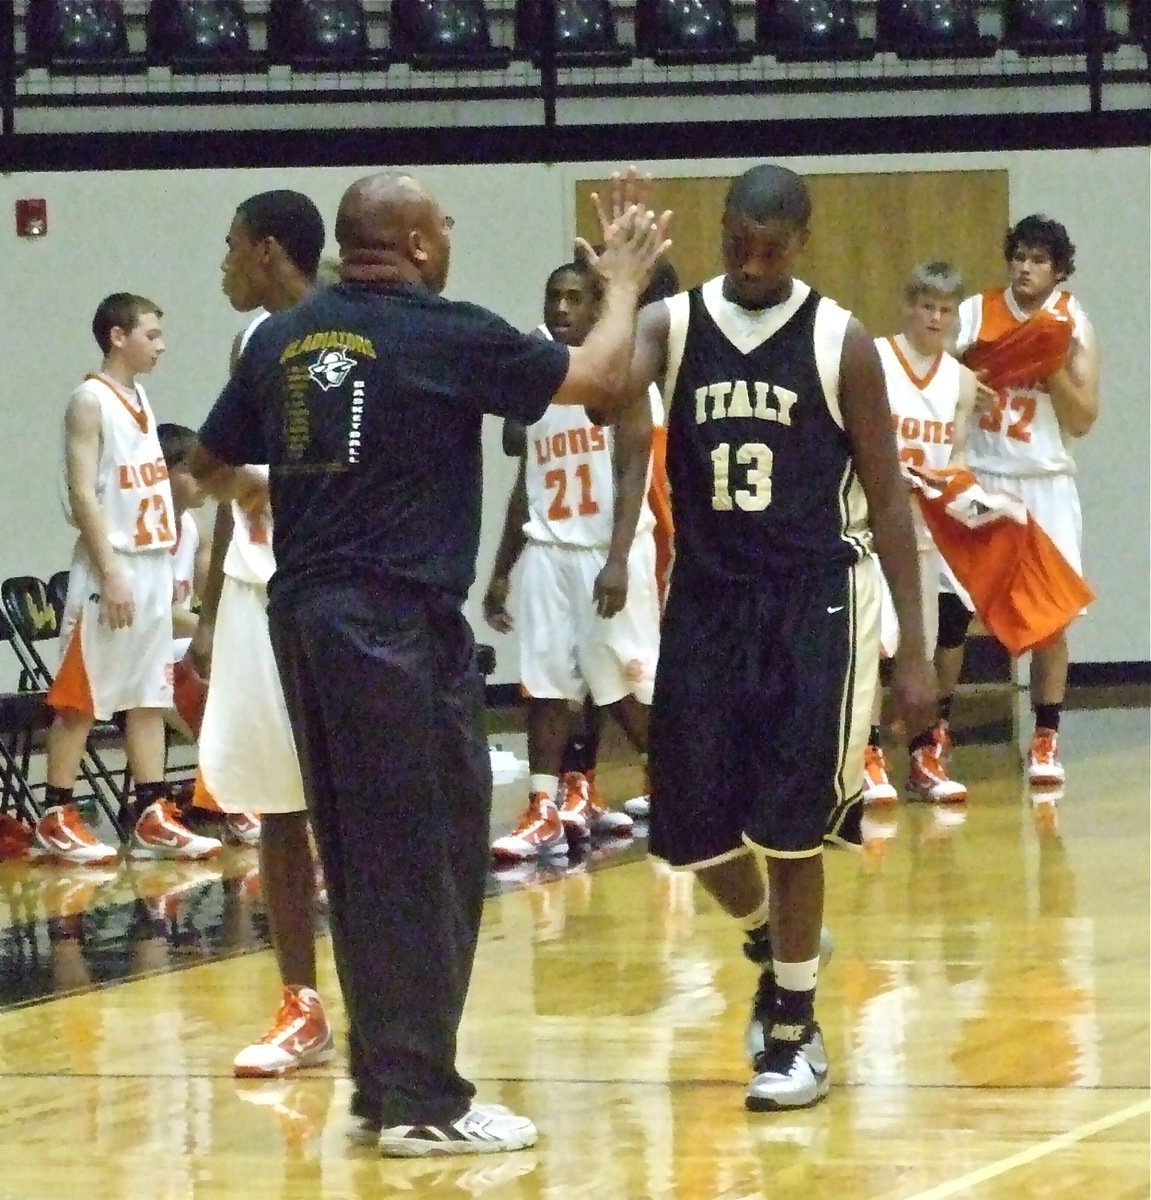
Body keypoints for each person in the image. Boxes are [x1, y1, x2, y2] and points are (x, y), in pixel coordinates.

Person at [190, 169, 670, 1156]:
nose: (448, 237)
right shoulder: (440, 329)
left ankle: (388, 1086)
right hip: (388, 630)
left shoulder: (283, 338)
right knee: (423, 864)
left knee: (376, 859)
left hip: (306, 623)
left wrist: (268, 488)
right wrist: (623, 282)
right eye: (441, 225)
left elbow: (209, 460)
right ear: (411, 244)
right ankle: (422, 1103)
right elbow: (604, 378)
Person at [626, 164, 936, 1111]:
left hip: (817, 601)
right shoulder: (670, 325)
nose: (755, 264)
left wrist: (916, 650)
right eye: (738, 245)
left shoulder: (839, 339)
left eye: (773, 249)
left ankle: (795, 1032)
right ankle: (771, 940)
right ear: (719, 233)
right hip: (709, 602)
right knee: (688, 827)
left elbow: (886, 495)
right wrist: (617, 284)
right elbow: (601, 392)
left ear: (802, 241)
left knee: (795, 825)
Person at [186, 190, 335, 1079]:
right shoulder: (250, 344)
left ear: (269, 251)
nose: (224, 261)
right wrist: (207, 611)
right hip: (254, 591)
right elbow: (220, 480)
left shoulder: (345, 333)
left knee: (357, 811)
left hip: (335, 593)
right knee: (277, 805)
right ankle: (301, 1003)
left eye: (232, 244)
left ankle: (401, 1003)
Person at [30, 294, 224, 867]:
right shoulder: (89, 401)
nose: (161, 344)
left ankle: (150, 813)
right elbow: (84, 495)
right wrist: (111, 570)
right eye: (152, 333)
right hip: (109, 566)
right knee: (81, 699)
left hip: (146, 562)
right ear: (118, 337)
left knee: (148, 691)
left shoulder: (139, 396)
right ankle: (57, 814)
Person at [484, 258, 658, 862]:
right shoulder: (538, 383)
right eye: (553, 296)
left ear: (596, 309)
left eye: (575, 298)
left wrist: (616, 559)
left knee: (625, 688)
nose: (560, 308)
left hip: (609, 551)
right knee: (546, 682)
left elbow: (636, 470)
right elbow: (524, 482)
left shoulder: (625, 374)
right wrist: (502, 571)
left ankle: (682, 783)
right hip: (548, 550)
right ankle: (544, 807)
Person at [939, 215, 1099, 790]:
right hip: (984, 474)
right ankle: (935, 734)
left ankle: (1046, 736)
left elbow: (1082, 419)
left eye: (1037, 260)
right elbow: (934, 381)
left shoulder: (1073, 321)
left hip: (1046, 479)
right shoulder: (977, 313)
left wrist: (1050, 364)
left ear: (1058, 270)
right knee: (952, 611)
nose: (1024, 268)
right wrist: (964, 386)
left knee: (1052, 619)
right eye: (1019, 257)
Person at [863, 263, 982, 807]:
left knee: (922, 650)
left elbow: (956, 456)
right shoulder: (876, 359)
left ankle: (922, 754)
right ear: (908, 307)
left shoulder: (960, 379)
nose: (935, 318)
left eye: (946, 309)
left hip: (925, 535)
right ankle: (865, 755)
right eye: (927, 306)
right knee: (869, 646)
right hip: (871, 528)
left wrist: (958, 488)